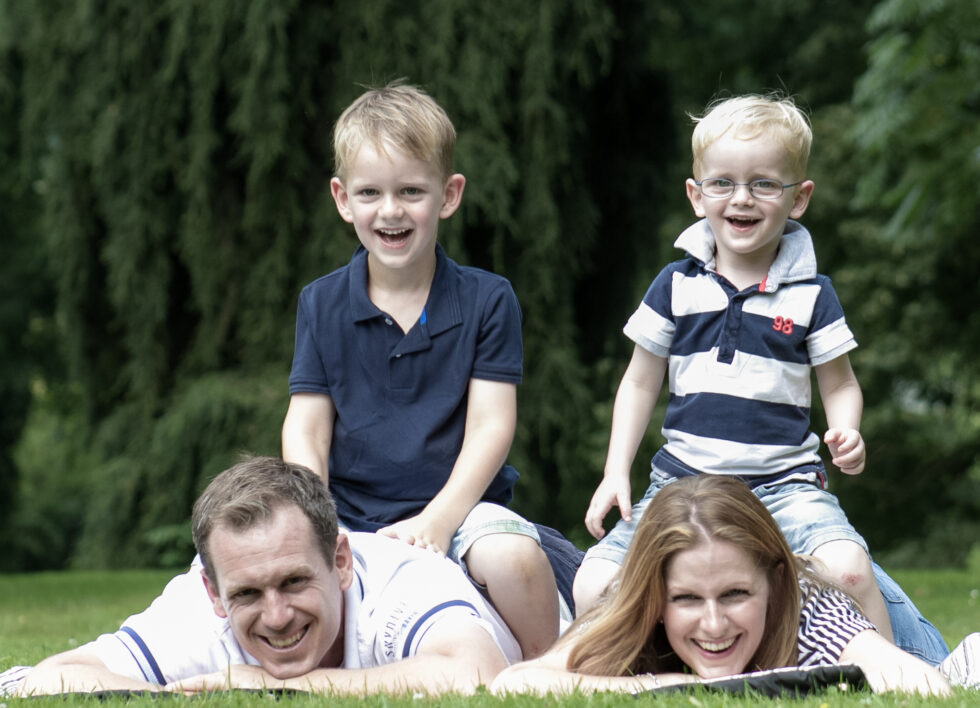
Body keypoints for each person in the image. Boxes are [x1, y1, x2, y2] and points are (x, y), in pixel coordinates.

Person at [575, 93, 892, 641]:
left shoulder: (813, 296)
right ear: (697, 196)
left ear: (799, 198)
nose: (741, 198)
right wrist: (614, 470)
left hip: (785, 486)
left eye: (764, 183)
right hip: (681, 487)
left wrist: (848, 430)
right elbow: (639, 381)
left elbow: (840, 383)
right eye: (723, 183)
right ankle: (605, 677)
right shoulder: (675, 285)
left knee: (849, 571)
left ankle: (895, 679)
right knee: (593, 583)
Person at [281, 81, 559, 657]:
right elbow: (306, 429)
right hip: (349, 517)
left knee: (515, 559)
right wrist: (317, 520)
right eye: (369, 193)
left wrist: (437, 521)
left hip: (460, 512)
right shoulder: (321, 302)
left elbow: (491, 427)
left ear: (448, 194)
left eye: (411, 190)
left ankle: (549, 669)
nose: (390, 211)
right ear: (342, 199)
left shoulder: (488, 299)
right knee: (266, 564)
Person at [9, 457, 520, 696]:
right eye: (248, 593)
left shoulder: (399, 583)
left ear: (340, 561)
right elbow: (45, 680)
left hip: (543, 593)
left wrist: (269, 686)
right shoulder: (197, 609)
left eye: (295, 582)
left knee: (509, 553)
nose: (276, 616)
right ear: (213, 592)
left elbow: (478, 672)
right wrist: (168, 696)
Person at [493, 475, 953, 696]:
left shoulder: (809, 608)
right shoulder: (631, 607)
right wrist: (671, 685)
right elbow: (513, 685)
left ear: (772, 584)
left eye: (735, 594)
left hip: (894, 626)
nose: (713, 624)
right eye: (686, 598)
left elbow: (921, 685)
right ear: (654, 597)